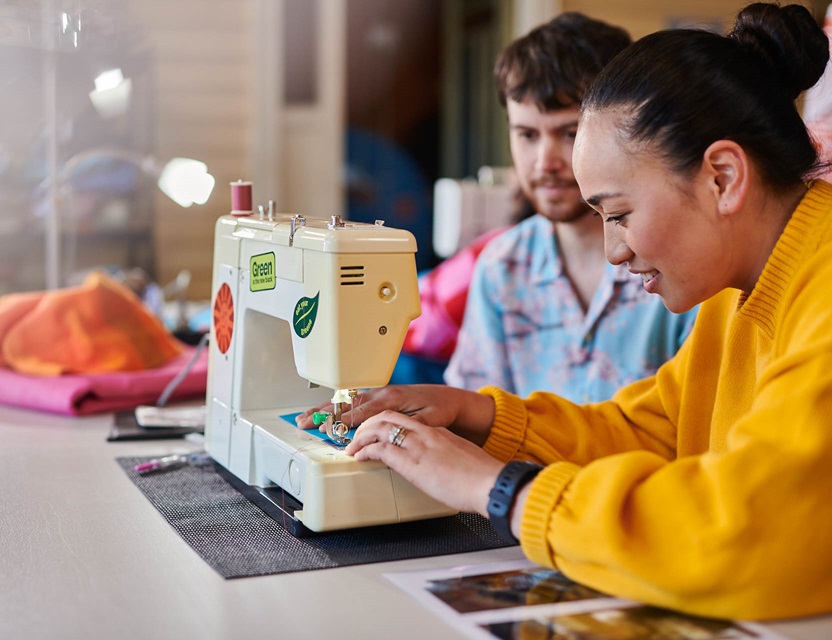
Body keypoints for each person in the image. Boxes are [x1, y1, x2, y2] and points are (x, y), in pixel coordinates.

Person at [320, 2, 832, 621]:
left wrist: (497, 488)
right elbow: (655, 432)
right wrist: (481, 417)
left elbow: (751, 538)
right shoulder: (742, 291)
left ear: (722, 177)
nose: (615, 250)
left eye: (618, 214)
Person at [441, 12, 696, 402]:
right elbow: (472, 416)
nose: (545, 161)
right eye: (527, 134)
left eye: (570, 133)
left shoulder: (679, 263)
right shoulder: (501, 268)